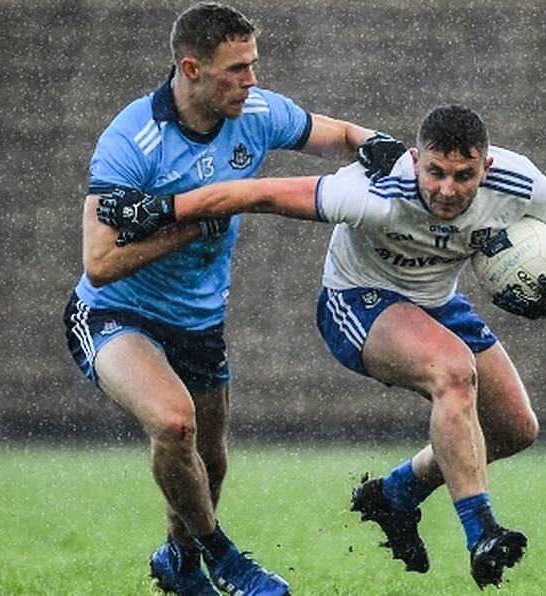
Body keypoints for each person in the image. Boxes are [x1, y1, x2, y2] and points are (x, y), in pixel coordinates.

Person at [96, 104, 546, 590]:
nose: (447, 189)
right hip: (357, 302)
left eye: (464, 176)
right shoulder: (373, 191)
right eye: (435, 172)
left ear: (488, 168)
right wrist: (163, 209)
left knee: (514, 427)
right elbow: (260, 194)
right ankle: (482, 530)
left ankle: (394, 494)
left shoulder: (517, 183)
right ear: (415, 160)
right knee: (453, 373)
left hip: (437, 303)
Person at [61, 3, 402, 595]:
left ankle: (180, 560)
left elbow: (341, 137)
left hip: (199, 322)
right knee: (174, 423)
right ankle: (225, 558)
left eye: (253, 65)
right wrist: (204, 217)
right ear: (190, 69)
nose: (250, 80)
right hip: (114, 311)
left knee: (210, 461)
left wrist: (387, 151)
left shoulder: (258, 111)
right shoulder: (132, 139)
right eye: (235, 70)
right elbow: (100, 260)